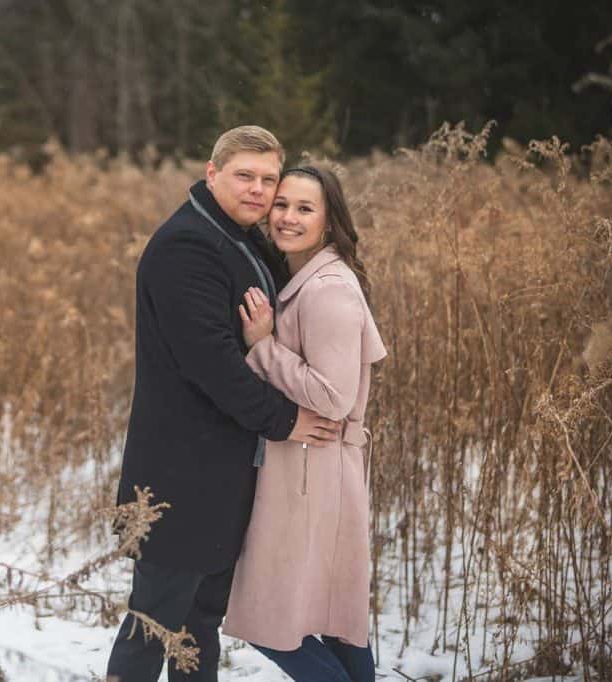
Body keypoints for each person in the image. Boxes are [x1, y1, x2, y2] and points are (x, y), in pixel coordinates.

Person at [106, 129, 342, 682]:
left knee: (197, 625)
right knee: (152, 625)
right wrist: (286, 420)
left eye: (268, 179)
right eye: (245, 176)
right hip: (179, 477)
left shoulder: (236, 237)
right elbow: (210, 364)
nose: (258, 189)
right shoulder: (187, 247)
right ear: (212, 174)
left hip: (220, 473)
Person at [221, 165, 387, 681]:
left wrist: (263, 347)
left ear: (329, 221)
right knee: (336, 623)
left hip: (313, 475)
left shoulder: (328, 289)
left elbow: (333, 397)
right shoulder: (306, 277)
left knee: (268, 620)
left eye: (305, 208)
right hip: (313, 470)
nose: (288, 217)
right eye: (282, 204)